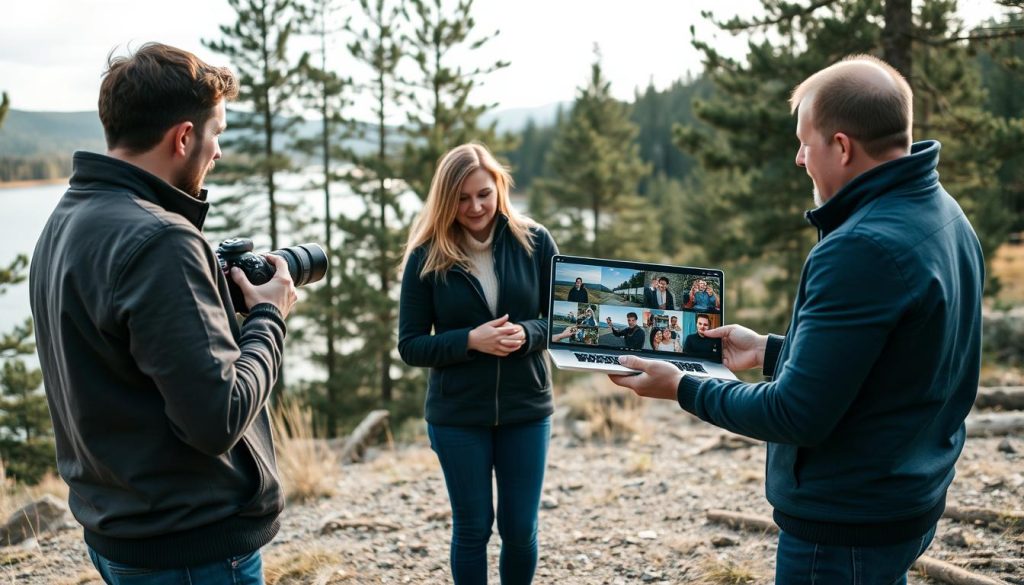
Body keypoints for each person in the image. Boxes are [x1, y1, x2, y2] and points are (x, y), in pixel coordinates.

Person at [609, 55, 984, 585]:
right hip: (905, 494)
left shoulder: (859, 248)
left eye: (805, 142)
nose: (798, 157)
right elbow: (893, 363)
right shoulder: (943, 211)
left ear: (842, 146)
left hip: (847, 522)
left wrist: (684, 387)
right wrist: (768, 352)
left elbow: (795, 414)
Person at [28, 43, 297, 584]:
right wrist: (269, 317)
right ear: (183, 137)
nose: (217, 150)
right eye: (215, 133)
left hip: (122, 532)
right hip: (192, 548)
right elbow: (216, 418)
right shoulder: (162, 240)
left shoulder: (67, 220)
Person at [398, 143, 559, 585]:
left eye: (484, 194)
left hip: (526, 407)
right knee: (472, 530)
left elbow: (563, 323)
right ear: (446, 199)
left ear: (500, 188)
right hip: (457, 416)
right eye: (463, 198)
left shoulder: (535, 241)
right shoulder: (425, 256)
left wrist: (529, 334)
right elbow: (410, 345)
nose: (475, 207)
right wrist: (470, 341)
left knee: (520, 530)